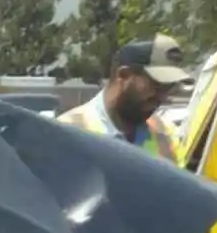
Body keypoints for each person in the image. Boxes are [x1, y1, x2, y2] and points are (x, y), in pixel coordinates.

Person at [56, 34, 192, 164]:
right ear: (124, 75)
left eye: (168, 87)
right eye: (156, 85)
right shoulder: (67, 134)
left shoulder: (167, 135)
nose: (162, 96)